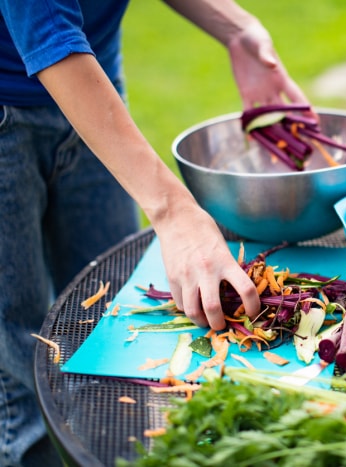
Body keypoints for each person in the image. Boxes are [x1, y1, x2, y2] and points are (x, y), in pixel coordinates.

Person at [0, 1, 313, 465]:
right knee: (18, 365)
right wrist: (174, 212)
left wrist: (239, 30)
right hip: (28, 91)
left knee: (111, 329)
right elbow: (46, 29)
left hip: (94, 77)